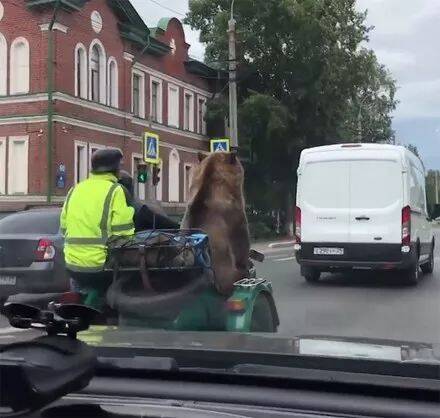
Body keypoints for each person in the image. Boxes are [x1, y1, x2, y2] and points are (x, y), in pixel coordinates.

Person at [60, 149, 135, 310]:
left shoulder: (75, 190)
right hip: (100, 267)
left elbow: (63, 227)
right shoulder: (116, 191)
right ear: (116, 169)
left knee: (79, 299)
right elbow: (124, 234)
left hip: (72, 265)